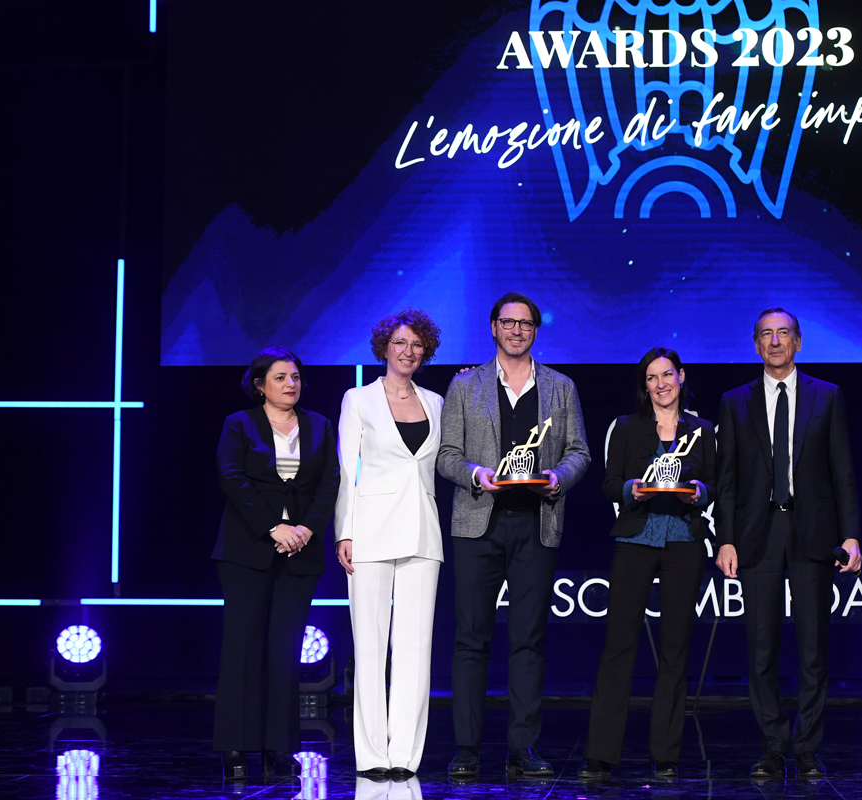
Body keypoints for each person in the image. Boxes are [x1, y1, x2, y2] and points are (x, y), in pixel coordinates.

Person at [437, 291, 591, 778]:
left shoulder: (561, 387)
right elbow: (446, 456)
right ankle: (467, 748)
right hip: (477, 523)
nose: (516, 330)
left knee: (528, 640)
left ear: (535, 330)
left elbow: (579, 452)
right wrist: (476, 474)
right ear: (493, 327)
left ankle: (523, 748)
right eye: (508, 322)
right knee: (471, 639)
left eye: (525, 323)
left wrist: (557, 479)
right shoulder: (465, 385)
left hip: (536, 523)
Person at [713, 308, 862, 780]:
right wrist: (725, 539)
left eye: (783, 333)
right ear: (756, 344)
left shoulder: (828, 395)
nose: (775, 341)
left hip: (812, 531)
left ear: (798, 342)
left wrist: (851, 534)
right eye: (766, 334)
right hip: (757, 533)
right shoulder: (735, 402)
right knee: (762, 649)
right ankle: (774, 747)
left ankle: (807, 748)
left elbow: (842, 471)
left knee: (813, 649)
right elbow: (727, 480)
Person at [579, 348, 716, 781]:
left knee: (675, 650)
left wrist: (700, 492)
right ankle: (601, 753)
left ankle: (666, 754)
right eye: (652, 377)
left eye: (667, 375)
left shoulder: (703, 430)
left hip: (684, 542)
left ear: (681, 376)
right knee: (619, 646)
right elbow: (610, 484)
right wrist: (630, 491)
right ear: (645, 385)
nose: (661, 384)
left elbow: (715, 483)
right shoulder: (625, 427)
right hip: (635, 540)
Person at [212, 347, 339, 780]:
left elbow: (330, 482)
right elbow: (232, 479)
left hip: (301, 549)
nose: (291, 384)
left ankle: (279, 746)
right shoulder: (239, 423)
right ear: (259, 384)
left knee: (286, 648)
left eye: (296, 377)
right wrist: (273, 527)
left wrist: (305, 529)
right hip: (247, 548)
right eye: (281, 377)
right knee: (242, 645)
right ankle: (234, 746)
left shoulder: (319, 424)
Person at [334, 309, 445, 781]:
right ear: (384, 346)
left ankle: (405, 755)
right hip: (371, 528)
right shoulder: (358, 399)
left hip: (423, 528)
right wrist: (345, 530)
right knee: (371, 643)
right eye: (400, 342)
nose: (408, 351)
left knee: (416, 647)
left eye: (417, 344)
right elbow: (347, 469)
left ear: (426, 351)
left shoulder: (436, 402)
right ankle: (372, 754)